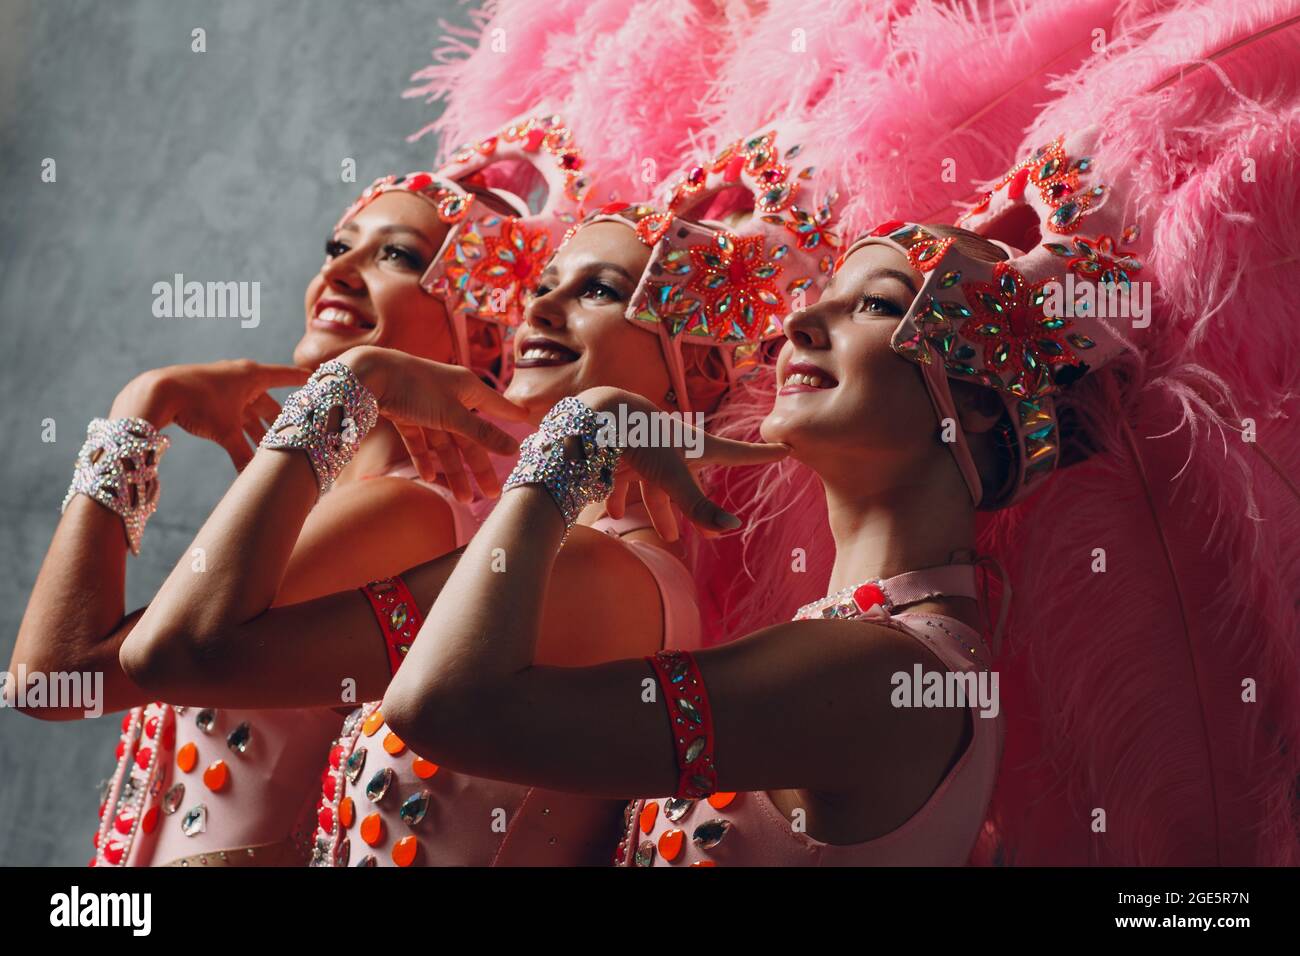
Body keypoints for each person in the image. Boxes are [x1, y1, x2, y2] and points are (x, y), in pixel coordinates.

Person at [119, 127, 838, 866]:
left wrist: (346, 390)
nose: (543, 309)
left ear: (701, 375)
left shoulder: (598, 573)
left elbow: (165, 655)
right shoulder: (566, 555)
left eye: (598, 290)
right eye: (545, 284)